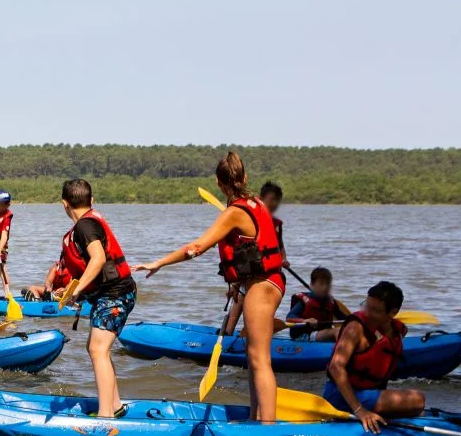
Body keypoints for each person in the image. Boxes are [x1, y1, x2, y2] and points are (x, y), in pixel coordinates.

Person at [135, 151, 286, 422]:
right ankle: (256, 418)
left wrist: (159, 263)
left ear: (218, 182)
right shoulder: (257, 203)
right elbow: (251, 249)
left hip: (262, 286)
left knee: (259, 359)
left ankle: (268, 426)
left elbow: (196, 247)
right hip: (269, 282)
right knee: (253, 357)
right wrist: (237, 281)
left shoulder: (234, 212)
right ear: (245, 178)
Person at [54, 179, 137, 417]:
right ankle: (114, 405)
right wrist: (71, 289)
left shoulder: (84, 226)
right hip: (113, 293)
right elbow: (92, 267)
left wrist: (78, 290)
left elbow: (98, 258)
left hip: (115, 294)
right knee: (98, 349)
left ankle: (105, 415)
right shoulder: (87, 224)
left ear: (64, 204)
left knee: (97, 349)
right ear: (91, 200)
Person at [323, 281, 426, 433]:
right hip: (340, 395)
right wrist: (360, 410)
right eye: (367, 306)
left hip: (367, 394)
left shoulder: (398, 332)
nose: (367, 313)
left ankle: (381, 414)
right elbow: (335, 366)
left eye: (376, 310)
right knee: (418, 400)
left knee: (416, 405)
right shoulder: (355, 328)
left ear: (393, 312)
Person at [221, 180, 289, 334]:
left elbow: (280, 246)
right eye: (272, 199)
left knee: (255, 304)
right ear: (261, 199)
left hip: (268, 273)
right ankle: (228, 333)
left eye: (277, 200)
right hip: (249, 267)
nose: (275, 203)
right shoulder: (252, 219)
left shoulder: (277, 224)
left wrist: (284, 259)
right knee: (239, 299)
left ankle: (249, 333)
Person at [288, 266, 347, 341]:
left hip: (321, 335)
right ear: (312, 285)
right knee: (337, 331)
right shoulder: (305, 301)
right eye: (321, 284)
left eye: (328, 284)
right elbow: (289, 317)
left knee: (344, 330)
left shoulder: (331, 303)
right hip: (304, 336)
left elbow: (343, 318)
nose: (325, 287)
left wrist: (355, 319)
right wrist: (304, 321)